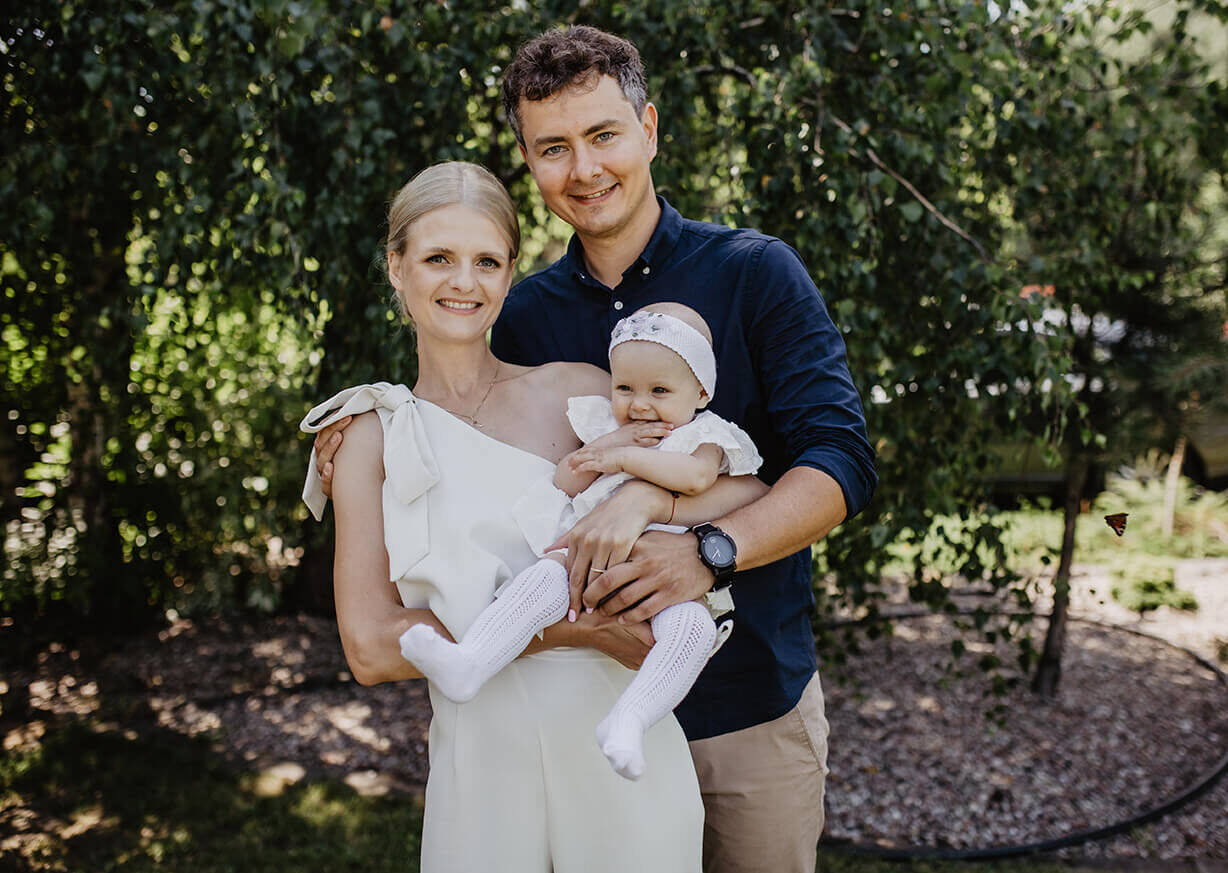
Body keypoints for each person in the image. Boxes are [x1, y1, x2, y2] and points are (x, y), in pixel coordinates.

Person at [315, 25, 877, 873]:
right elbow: (473, 426)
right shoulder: (526, 318)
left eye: (603, 135)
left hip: (743, 711)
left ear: (648, 129)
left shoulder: (754, 273)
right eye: (554, 148)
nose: (584, 168)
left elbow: (839, 461)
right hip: (572, 735)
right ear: (529, 162)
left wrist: (704, 548)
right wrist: (367, 437)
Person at [299, 161, 765, 872]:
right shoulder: (371, 435)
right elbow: (370, 647)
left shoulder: (582, 396)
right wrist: (577, 630)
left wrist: (651, 500)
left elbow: (745, 490)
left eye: (487, 261)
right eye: (438, 258)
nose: (464, 282)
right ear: (396, 266)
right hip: (482, 767)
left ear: (510, 272)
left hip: (620, 758)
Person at [399, 301, 761, 781]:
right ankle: (470, 662)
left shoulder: (707, 436)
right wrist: (602, 449)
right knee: (541, 581)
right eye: (625, 388)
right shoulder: (609, 428)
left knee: (693, 631)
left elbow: (695, 478)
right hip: (584, 563)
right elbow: (566, 483)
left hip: (665, 582)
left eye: (659, 390)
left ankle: (629, 721)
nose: (640, 405)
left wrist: (627, 461)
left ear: (700, 392)